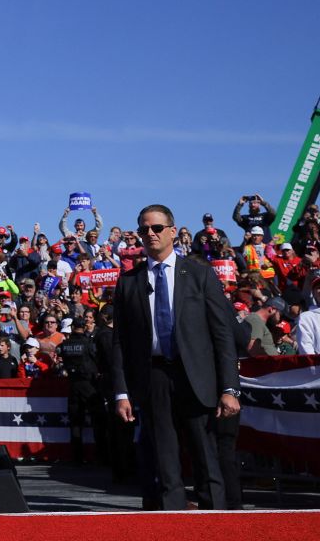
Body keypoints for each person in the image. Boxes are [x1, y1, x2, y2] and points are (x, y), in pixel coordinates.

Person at [111, 204, 240, 510]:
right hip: (153, 375)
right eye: (144, 229)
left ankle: (215, 525)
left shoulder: (200, 275)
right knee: (163, 458)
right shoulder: (129, 282)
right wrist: (121, 391)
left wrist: (229, 388)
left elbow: (222, 334)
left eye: (156, 228)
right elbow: (121, 342)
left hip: (196, 374)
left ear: (172, 231)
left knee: (206, 457)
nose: (150, 234)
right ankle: (173, 522)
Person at [57, 317, 100, 464]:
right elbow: (97, 359)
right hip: (89, 384)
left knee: (76, 422)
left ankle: (77, 457)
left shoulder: (64, 345)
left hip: (73, 384)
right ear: (85, 326)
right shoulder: (89, 343)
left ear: (73, 327)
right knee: (97, 420)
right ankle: (100, 455)